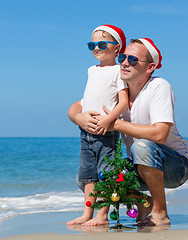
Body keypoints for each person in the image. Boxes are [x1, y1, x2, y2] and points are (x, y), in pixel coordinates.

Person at [69, 38, 188, 227]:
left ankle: (160, 212)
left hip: (176, 166)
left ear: (150, 67)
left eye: (133, 60)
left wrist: (116, 124)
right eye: (123, 58)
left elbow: (160, 134)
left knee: (141, 146)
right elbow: (76, 108)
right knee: (93, 176)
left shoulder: (159, 86)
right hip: (140, 165)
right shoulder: (118, 93)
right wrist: (79, 118)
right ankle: (144, 203)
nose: (125, 63)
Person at [66, 25, 128, 226]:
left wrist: (109, 120)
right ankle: (87, 214)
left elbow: (123, 102)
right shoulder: (91, 70)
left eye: (102, 43)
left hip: (106, 132)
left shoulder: (119, 71)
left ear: (117, 47)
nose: (96, 48)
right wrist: (82, 117)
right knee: (87, 176)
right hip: (86, 131)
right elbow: (87, 98)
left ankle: (102, 216)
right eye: (92, 44)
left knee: (106, 174)